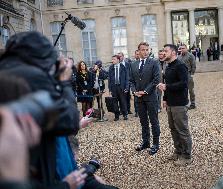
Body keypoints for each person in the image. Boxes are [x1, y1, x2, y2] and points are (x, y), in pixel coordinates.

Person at [0, 31, 116, 189]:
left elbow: (49, 120)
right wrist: (63, 81)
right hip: (47, 174)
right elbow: (68, 121)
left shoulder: (7, 73)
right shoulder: (30, 76)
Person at [157, 44, 192, 166]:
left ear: (173, 53)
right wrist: (165, 99)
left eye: (166, 51)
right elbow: (168, 83)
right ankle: (179, 151)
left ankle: (187, 156)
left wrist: (167, 87)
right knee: (173, 130)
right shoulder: (168, 66)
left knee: (182, 130)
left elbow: (184, 84)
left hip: (179, 104)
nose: (163, 53)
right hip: (171, 103)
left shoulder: (180, 66)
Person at [129, 42, 160, 155]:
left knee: (154, 121)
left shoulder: (154, 62)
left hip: (151, 97)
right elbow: (131, 80)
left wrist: (146, 91)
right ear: (139, 51)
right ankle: (146, 142)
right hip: (138, 98)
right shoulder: (133, 64)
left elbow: (156, 79)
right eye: (143, 50)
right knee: (143, 122)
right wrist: (134, 91)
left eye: (147, 50)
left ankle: (156, 144)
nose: (146, 52)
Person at [108, 55, 129, 121]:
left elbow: (127, 78)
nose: (112, 61)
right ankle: (116, 115)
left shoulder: (123, 67)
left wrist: (126, 87)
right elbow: (109, 79)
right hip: (114, 87)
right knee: (114, 102)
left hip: (121, 87)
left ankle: (125, 114)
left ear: (118, 60)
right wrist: (110, 89)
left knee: (123, 101)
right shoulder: (111, 68)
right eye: (112, 59)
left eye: (114, 59)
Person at [178, 44, 196, 109]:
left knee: (191, 89)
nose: (182, 49)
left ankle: (193, 103)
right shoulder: (179, 57)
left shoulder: (191, 56)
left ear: (186, 48)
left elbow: (193, 65)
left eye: (183, 48)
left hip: (188, 74)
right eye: (181, 48)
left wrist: (191, 74)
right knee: (183, 90)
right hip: (180, 75)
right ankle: (185, 103)